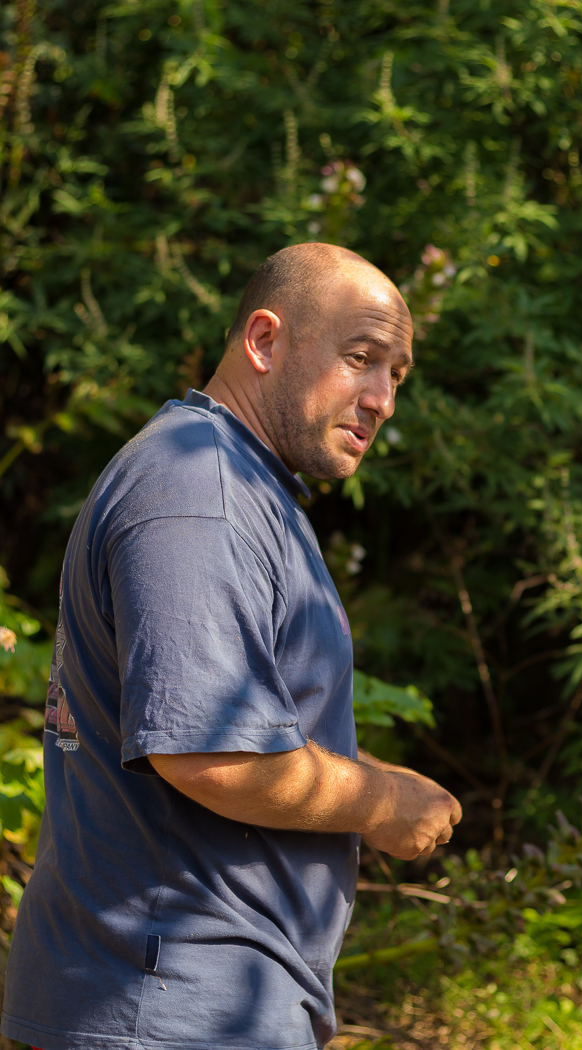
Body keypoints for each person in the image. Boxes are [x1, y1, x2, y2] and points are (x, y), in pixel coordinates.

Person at [2, 243, 461, 1050]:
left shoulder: (237, 485)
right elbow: (210, 753)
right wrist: (384, 802)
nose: (383, 399)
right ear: (264, 340)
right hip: (166, 1008)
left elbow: (234, 730)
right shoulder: (199, 490)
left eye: (398, 374)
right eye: (360, 358)